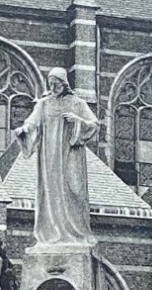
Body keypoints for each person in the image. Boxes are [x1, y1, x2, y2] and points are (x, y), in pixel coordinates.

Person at [14, 67, 98, 245]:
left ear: (64, 83)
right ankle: (51, 232)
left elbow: (94, 124)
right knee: (50, 192)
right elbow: (32, 122)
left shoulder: (77, 104)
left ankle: (78, 234)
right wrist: (24, 130)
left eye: (56, 83)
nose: (53, 87)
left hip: (70, 154)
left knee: (73, 191)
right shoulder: (44, 104)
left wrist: (78, 121)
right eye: (50, 84)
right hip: (49, 157)